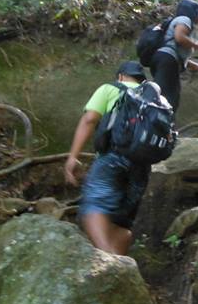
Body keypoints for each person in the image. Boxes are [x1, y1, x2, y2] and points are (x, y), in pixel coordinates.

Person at [64, 60, 151, 255]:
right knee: (120, 225)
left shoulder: (110, 88)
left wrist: (72, 157)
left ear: (120, 76)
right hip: (141, 168)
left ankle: (107, 264)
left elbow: (89, 119)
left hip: (112, 160)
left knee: (92, 208)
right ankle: (119, 274)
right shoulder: (153, 97)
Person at [150, 0, 198, 114]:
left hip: (163, 60)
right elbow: (179, 37)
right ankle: (158, 127)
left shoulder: (174, 23)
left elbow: (179, 57)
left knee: (167, 96)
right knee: (167, 99)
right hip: (167, 60)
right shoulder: (184, 19)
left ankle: (161, 126)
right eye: (197, 13)